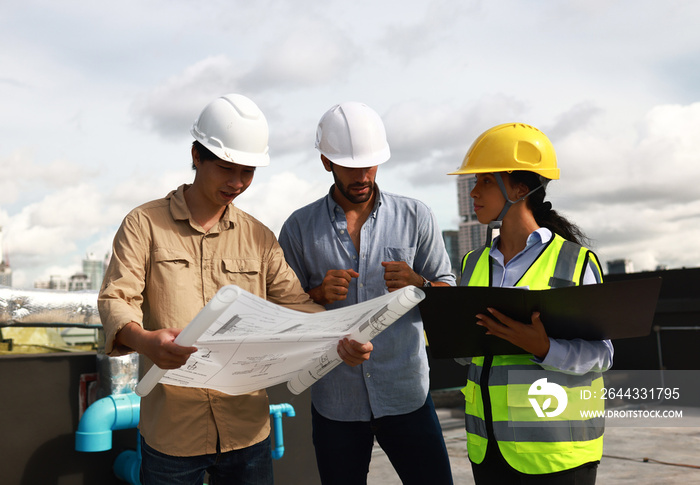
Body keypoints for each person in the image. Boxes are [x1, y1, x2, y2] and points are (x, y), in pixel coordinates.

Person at [98, 93, 371, 485]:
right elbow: (115, 299)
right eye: (227, 169)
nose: (237, 183)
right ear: (196, 155)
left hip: (248, 430)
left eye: (248, 173)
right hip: (173, 431)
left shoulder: (259, 238)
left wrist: (342, 337)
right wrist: (145, 341)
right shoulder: (144, 225)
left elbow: (295, 305)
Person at [278, 101, 455, 485]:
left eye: (370, 165)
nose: (362, 175)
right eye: (350, 166)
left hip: (408, 393)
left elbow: (449, 295)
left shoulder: (416, 216)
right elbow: (282, 314)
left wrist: (419, 284)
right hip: (335, 402)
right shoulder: (297, 228)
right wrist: (317, 294)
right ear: (326, 161)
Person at [448, 122, 614, 484]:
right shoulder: (472, 264)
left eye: (486, 181)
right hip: (488, 451)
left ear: (521, 188)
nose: (474, 192)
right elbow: (468, 354)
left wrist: (543, 347)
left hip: (557, 454)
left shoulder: (575, 262)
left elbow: (602, 355)